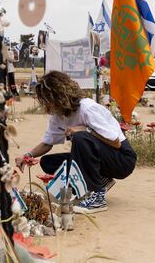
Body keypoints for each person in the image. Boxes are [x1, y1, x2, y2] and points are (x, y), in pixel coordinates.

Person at [16, 71, 136, 214]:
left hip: (121, 159)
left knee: (80, 138)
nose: (46, 106)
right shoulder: (58, 115)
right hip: (103, 159)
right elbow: (47, 144)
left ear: (60, 96)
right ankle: (100, 180)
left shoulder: (87, 108)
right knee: (48, 162)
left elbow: (116, 143)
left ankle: (97, 198)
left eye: (48, 100)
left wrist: (85, 129)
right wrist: (27, 155)